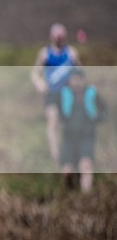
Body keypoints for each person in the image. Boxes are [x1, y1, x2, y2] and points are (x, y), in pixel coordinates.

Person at [31, 23, 80, 162]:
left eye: (61, 37)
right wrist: (39, 83)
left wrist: (77, 81)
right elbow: (34, 72)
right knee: (52, 121)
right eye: (56, 37)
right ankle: (55, 154)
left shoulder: (71, 53)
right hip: (51, 93)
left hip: (68, 94)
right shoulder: (45, 54)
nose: (58, 40)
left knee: (69, 123)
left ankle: (70, 153)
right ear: (51, 37)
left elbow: (80, 72)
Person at [58, 68, 106, 192]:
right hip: (69, 136)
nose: (77, 82)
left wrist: (98, 118)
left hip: (87, 135)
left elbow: (103, 109)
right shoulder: (64, 94)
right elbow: (57, 112)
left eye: (79, 79)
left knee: (86, 164)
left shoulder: (91, 93)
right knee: (67, 170)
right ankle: (70, 194)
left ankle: (86, 198)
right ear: (70, 81)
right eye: (74, 79)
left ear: (83, 80)